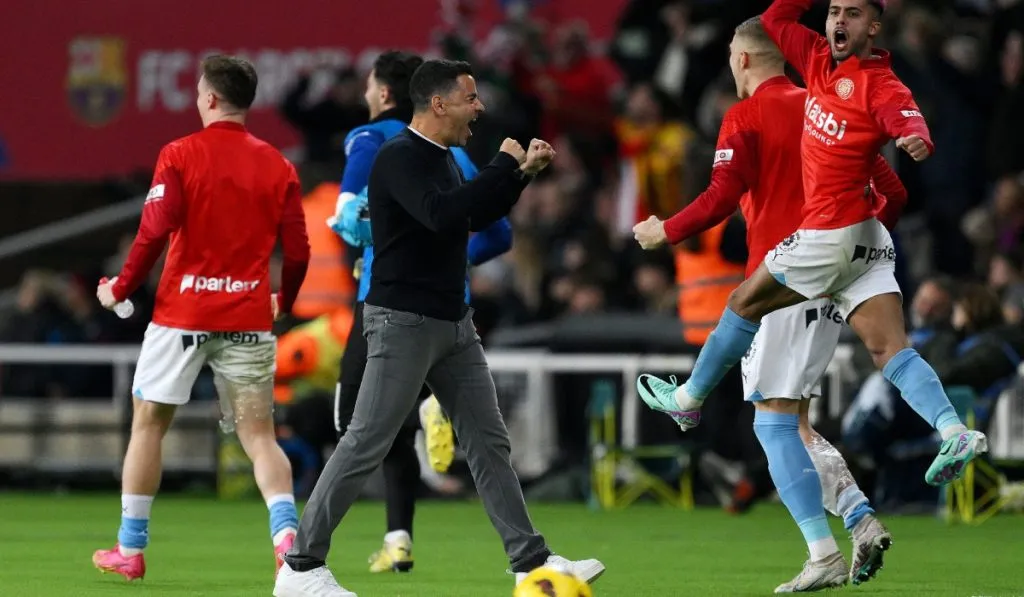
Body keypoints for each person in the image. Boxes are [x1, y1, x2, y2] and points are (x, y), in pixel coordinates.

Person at [274, 59, 603, 597]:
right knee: (365, 442)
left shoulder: (444, 157)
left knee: (488, 441)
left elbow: (471, 215)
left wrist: (519, 177)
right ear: (438, 103)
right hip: (402, 321)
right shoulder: (397, 157)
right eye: (470, 97)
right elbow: (440, 214)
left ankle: (531, 561)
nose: (479, 106)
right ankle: (301, 568)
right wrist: (502, 164)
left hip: (452, 322)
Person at [635, 0, 987, 496]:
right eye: (834, 11)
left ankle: (690, 398)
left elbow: (905, 118)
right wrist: (863, 244)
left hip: (824, 238)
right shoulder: (818, 63)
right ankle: (953, 431)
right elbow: (778, 19)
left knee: (748, 325)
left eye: (854, 13)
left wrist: (915, 137)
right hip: (863, 241)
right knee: (890, 351)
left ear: (876, 27)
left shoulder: (880, 84)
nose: (841, 20)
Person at [633, 17, 901, 592]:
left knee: (773, 423)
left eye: (732, 53)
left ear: (748, 59)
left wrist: (666, 230)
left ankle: (821, 551)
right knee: (796, 421)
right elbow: (889, 190)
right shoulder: (826, 106)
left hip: (783, 279)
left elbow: (719, 197)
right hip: (835, 279)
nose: (730, 63)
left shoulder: (746, 115)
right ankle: (858, 517)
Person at [92, 55, 311, 581]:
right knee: (260, 436)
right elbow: (298, 250)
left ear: (211, 98)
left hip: (182, 315)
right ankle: (286, 540)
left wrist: (118, 288)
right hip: (248, 316)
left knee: (148, 424)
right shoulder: (278, 164)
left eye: (197, 92)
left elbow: (153, 231)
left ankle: (130, 548)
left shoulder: (180, 154)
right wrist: (285, 298)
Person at [329, 50, 512, 573]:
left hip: (389, 301)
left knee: (355, 426)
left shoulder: (372, 140)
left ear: (384, 93)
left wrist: (383, 239)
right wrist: (449, 257)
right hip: (451, 304)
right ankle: (400, 537)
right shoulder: (455, 156)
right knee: (482, 442)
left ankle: (302, 559)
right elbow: (497, 234)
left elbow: (346, 217)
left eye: (368, 87)